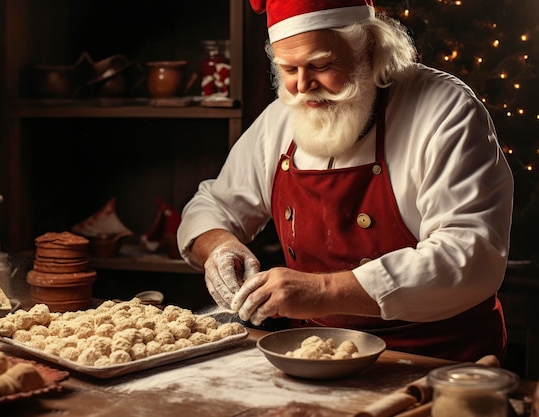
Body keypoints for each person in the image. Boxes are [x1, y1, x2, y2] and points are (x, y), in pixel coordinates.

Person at [177, 0, 514, 363]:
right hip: (316, 356)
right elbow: (213, 205)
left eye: (320, 65)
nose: (303, 86)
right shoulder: (283, 118)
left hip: (438, 358)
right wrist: (219, 246)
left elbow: (470, 256)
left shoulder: (443, 109)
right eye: (288, 69)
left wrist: (320, 290)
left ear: (369, 48)